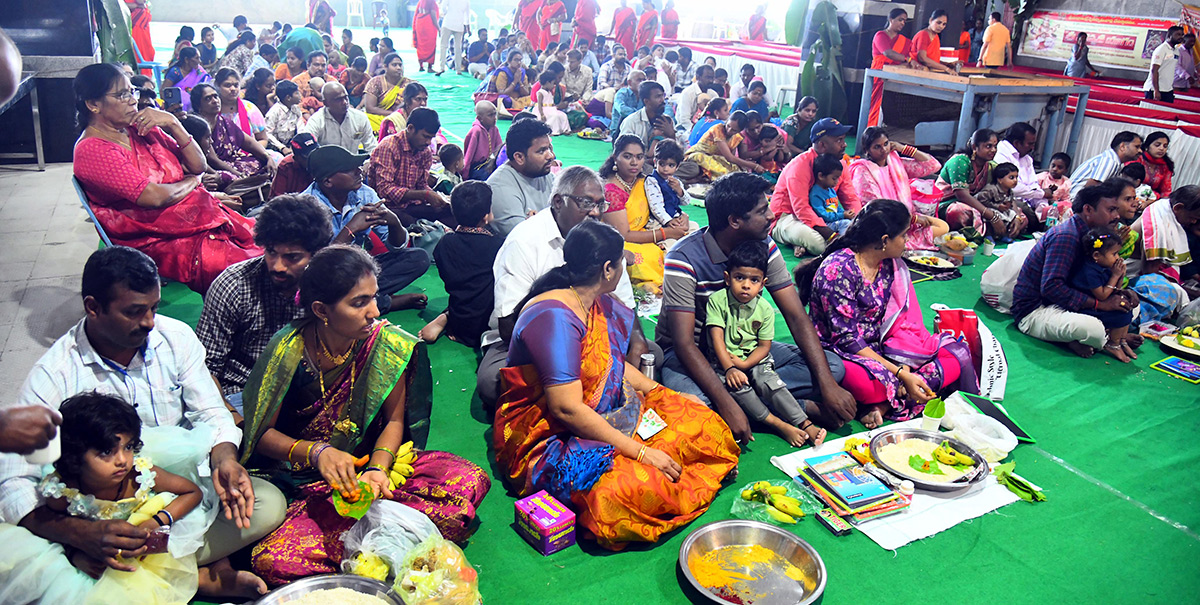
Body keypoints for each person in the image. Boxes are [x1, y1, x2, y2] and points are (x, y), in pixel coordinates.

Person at [2, 246, 286, 599]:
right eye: (135, 312)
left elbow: (212, 414)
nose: (150, 321)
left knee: (266, 503)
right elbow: (15, 479)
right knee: (27, 550)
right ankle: (193, 571)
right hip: (98, 513)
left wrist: (224, 460)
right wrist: (79, 535)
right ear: (93, 307)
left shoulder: (175, 337)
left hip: (173, 499)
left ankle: (147, 566)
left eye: (153, 307)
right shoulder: (55, 373)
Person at [240, 245, 489, 585]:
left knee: (468, 479)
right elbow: (261, 436)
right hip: (300, 479)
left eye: (374, 297)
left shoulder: (385, 342)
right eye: (359, 302)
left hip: (366, 468)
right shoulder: (289, 351)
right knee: (274, 562)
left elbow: (395, 422)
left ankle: (363, 551)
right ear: (321, 309)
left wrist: (377, 470)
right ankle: (383, 544)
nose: (374, 311)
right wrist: (318, 453)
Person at [494, 219, 738, 550]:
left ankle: (674, 466)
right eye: (623, 261)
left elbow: (613, 365)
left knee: (700, 419)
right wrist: (641, 452)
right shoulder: (555, 317)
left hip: (605, 414)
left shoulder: (594, 302)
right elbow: (566, 408)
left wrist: (665, 395)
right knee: (619, 493)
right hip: (551, 434)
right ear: (609, 268)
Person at [659, 172, 855, 441]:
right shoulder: (682, 258)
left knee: (832, 368)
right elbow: (683, 344)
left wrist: (828, 384)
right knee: (698, 405)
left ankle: (750, 399)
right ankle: (791, 407)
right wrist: (727, 404)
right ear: (735, 221)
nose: (772, 215)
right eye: (762, 211)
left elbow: (796, 316)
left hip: (746, 349)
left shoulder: (764, 245)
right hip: (694, 355)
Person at [0, 392, 205, 604]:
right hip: (96, 555)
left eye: (127, 447)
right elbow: (53, 531)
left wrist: (156, 522)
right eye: (107, 451)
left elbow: (192, 492)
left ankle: (209, 579)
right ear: (75, 455)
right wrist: (74, 554)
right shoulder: (66, 492)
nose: (122, 460)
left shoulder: (140, 474)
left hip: (146, 548)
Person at [73, 65, 259, 292]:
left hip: (196, 218)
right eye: (122, 95)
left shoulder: (139, 128)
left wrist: (173, 122)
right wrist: (193, 182)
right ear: (93, 104)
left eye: (132, 91)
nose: (133, 100)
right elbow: (154, 197)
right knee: (248, 269)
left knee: (268, 241)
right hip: (158, 238)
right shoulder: (94, 150)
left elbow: (198, 164)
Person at [475, 166, 645, 408]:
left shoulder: (603, 237)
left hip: (594, 335)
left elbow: (624, 304)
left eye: (600, 204)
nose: (595, 213)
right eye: (586, 203)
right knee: (492, 383)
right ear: (557, 201)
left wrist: (637, 338)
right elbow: (508, 326)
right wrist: (570, 357)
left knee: (649, 356)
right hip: (528, 343)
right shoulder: (524, 241)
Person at [801, 199, 978, 427]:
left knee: (956, 352)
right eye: (904, 235)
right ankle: (902, 392)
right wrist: (902, 373)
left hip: (881, 347)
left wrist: (904, 360)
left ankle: (887, 403)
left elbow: (902, 321)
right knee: (870, 386)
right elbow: (846, 341)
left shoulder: (888, 265)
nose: (907, 241)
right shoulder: (839, 270)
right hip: (841, 352)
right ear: (885, 240)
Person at [198, 195, 333, 409]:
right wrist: (234, 419)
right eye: (271, 252)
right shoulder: (234, 284)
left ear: (316, 254)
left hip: (307, 392)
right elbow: (204, 370)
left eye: (292, 257)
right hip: (242, 394)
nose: (278, 266)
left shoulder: (328, 284)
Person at [709, 241, 826, 447]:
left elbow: (764, 347)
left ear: (763, 284)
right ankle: (779, 425)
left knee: (769, 382)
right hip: (723, 363)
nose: (746, 285)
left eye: (754, 280)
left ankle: (804, 422)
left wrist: (745, 366)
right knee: (740, 389)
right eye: (739, 278)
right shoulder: (717, 300)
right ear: (728, 278)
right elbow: (717, 338)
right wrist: (730, 369)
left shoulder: (764, 308)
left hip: (754, 359)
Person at [1012, 183, 1139, 357]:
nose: (1117, 216)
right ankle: (1107, 336)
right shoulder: (1067, 236)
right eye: (1111, 210)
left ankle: (1109, 335)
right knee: (1092, 329)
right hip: (1036, 310)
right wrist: (1101, 305)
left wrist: (1120, 292)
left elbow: (1087, 281)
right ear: (1088, 209)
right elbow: (1051, 288)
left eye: (1117, 210)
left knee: (1129, 306)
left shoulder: (1095, 236)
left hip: (1065, 305)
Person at [302, 145, 430, 314]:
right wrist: (351, 229)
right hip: (324, 278)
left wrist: (394, 223)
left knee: (418, 258)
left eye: (358, 166)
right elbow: (316, 267)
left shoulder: (364, 194)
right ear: (328, 181)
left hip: (355, 270)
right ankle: (384, 302)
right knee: (322, 289)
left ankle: (362, 300)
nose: (359, 171)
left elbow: (395, 246)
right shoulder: (307, 207)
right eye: (349, 169)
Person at [419, 181, 505, 347]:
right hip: (488, 325)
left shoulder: (444, 243)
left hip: (460, 323)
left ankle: (447, 316)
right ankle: (446, 316)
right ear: (486, 216)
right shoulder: (498, 245)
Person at [601, 136, 686, 294]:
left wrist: (682, 218)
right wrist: (665, 233)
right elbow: (624, 235)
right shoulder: (611, 191)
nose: (634, 162)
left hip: (647, 231)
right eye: (627, 156)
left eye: (639, 157)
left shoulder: (643, 181)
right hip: (620, 240)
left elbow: (664, 204)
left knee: (686, 241)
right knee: (642, 259)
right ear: (615, 158)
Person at [769, 118, 860, 257]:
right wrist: (831, 236)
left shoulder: (840, 164)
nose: (845, 145)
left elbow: (850, 198)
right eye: (839, 140)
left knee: (858, 230)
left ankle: (800, 243)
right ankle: (796, 240)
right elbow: (801, 209)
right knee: (818, 244)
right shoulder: (800, 166)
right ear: (822, 145)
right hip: (788, 216)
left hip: (823, 217)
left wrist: (859, 222)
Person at [848, 126, 946, 250]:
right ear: (867, 150)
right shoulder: (862, 171)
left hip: (906, 220)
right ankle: (897, 245)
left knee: (942, 226)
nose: (883, 150)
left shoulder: (895, 163)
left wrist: (903, 148)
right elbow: (877, 209)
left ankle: (902, 244)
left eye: (886, 144)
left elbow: (933, 165)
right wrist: (913, 219)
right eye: (877, 147)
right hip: (883, 226)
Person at [370, 107, 455, 225]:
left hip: (412, 205)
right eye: (425, 136)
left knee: (451, 214)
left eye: (431, 137)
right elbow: (385, 190)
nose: (428, 142)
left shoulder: (425, 151)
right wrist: (424, 195)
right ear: (410, 128)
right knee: (412, 224)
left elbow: (421, 184)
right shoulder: (388, 147)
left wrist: (439, 198)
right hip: (387, 208)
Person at [1070, 228, 1137, 361]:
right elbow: (1102, 296)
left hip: (1101, 303)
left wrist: (1120, 276)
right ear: (1096, 256)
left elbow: (1115, 291)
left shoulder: (1104, 266)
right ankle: (1113, 343)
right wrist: (1115, 275)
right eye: (1115, 254)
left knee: (1126, 305)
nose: (1118, 258)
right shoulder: (1090, 271)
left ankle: (1121, 340)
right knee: (1120, 313)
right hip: (1084, 309)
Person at [192, 83, 273, 190]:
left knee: (264, 164)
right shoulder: (197, 126)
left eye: (215, 96)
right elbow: (213, 160)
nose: (215, 101)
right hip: (213, 168)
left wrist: (267, 157)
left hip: (233, 162)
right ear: (198, 105)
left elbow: (248, 142)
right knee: (224, 177)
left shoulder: (225, 122)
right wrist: (238, 174)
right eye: (208, 98)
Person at [486, 118, 557, 236]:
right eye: (541, 151)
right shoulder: (499, 187)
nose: (551, 156)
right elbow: (525, 237)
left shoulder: (546, 175)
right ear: (519, 157)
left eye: (549, 148)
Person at [936, 128, 1000, 236]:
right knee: (960, 212)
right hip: (946, 204)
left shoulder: (991, 166)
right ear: (975, 147)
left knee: (1017, 213)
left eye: (995, 146)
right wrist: (991, 216)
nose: (993, 150)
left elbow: (1005, 188)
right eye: (988, 146)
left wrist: (1017, 216)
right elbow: (962, 195)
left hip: (975, 204)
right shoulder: (960, 161)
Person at [995, 121, 1052, 226]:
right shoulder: (1000, 154)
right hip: (1007, 199)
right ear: (1016, 143)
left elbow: (1034, 184)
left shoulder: (1027, 158)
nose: (1032, 148)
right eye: (1030, 144)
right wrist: (1042, 194)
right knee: (1026, 211)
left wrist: (1042, 205)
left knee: (1052, 207)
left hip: (1029, 198)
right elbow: (1011, 188)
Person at [300, 81, 378, 153]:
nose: (345, 102)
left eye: (346, 97)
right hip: (325, 166)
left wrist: (367, 164)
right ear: (326, 103)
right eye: (338, 99)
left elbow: (372, 147)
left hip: (353, 165)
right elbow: (308, 149)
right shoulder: (316, 121)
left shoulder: (360, 118)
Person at [1070, 131, 1142, 200]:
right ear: (1122, 146)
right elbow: (1092, 188)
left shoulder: (1114, 161)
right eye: (1137, 147)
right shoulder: (1109, 161)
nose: (1140, 151)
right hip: (1073, 202)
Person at [644, 139, 694, 238]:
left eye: (671, 165)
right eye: (662, 164)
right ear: (655, 162)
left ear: (678, 166)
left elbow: (686, 202)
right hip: (659, 221)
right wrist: (668, 221)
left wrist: (679, 190)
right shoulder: (652, 181)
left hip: (675, 216)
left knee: (694, 228)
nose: (666, 169)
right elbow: (656, 207)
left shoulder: (676, 181)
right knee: (672, 241)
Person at [618, 80, 678, 163]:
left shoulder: (667, 121)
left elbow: (676, 153)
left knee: (690, 167)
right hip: (637, 164)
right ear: (646, 101)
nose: (663, 100)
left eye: (663, 96)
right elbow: (623, 151)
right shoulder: (631, 121)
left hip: (663, 165)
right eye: (658, 97)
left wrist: (671, 135)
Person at [976, 162, 1028, 242]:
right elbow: (981, 200)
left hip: (1002, 211)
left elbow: (1011, 202)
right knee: (994, 215)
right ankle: (988, 235)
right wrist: (997, 206)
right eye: (1011, 177)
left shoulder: (1009, 191)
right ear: (1000, 180)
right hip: (989, 210)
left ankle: (1004, 235)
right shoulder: (991, 189)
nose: (1015, 180)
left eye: (1016, 177)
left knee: (1012, 214)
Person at [361, 53, 412, 133]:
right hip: (378, 118)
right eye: (394, 65)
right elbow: (370, 108)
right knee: (364, 118)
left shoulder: (409, 84)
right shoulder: (375, 82)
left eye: (400, 65)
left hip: (402, 119)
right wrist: (393, 115)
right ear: (385, 66)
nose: (398, 68)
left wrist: (398, 117)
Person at [809, 153, 852, 238]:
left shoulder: (831, 190)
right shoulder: (815, 194)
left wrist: (845, 213)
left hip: (835, 220)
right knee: (845, 223)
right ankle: (844, 245)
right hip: (825, 224)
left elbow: (836, 207)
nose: (837, 182)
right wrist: (842, 215)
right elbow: (823, 215)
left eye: (838, 178)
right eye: (834, 178)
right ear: (821, 176)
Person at [462, 100, 503, 180]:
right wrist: (465, 176)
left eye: (495, 114)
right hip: (476, 168)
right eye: (490, 115)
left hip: (487, 164)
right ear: (480, 118)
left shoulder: (494, 129)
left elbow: (499, 150)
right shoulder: (476, 131)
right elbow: (468, 156)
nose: (494, 118)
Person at [269, 133, 319, 197]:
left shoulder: (322, 162)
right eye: (307, 157)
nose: (313, 159)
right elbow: (277, 197)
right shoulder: (286, 167)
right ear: (296, 157)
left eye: (315, 154)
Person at [162, 46, 211, 112]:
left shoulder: (199, 71)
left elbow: (206, 83)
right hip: (177, 108)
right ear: (186, 60)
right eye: (197, 58)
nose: (199, 61)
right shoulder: (175, 72)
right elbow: (164, 91)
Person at [1131, 131, 1175, 200]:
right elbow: (1129, 182)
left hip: (1153, 200)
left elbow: (1166, 191)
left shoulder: (1165, 165)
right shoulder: (1137, 159)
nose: (1161, 148)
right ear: (1147, 146)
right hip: (1132, 196)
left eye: (1165, 146)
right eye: (1157, 145)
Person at [1146, 26, 1185, 103]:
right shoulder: (1161, 49)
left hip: (1167, 89)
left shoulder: (1176, 50)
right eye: (1178, 34)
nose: (1181, 37)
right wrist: (1156, 90)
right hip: (1155, 89)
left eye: (1182, 35)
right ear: (1170, 35)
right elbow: (1154, 70)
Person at [909, 9, 954, 74]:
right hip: (917, 71)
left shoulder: (936, 36)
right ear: (931, 20)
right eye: (938, 23)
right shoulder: (924, 34)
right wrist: (946, 68)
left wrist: (947, 64)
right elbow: (922, 58)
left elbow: (932, 59)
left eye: (944, 24)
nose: (941, 26)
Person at [436, 0, 470, 74]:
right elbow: (467, 15)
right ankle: (458, 69)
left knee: (443, 46)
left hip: (448, 23)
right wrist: (468, 27)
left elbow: (443, 7)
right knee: (458, 48)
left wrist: (446, 14)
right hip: (459, 25)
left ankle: (442, 67)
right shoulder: (466, 1)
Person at [534, 70, 572, 134]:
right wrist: (542, 114)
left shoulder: (549, 92)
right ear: (547, 82)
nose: (554, 85)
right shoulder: (540, 93)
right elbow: (539, 104)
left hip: (551, 109)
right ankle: (553, 131)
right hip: (544, 110)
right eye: (552, 83)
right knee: (555, 116)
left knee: (563, 115)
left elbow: (551, 101)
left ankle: (565, 130)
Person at [413, 0, 440, 72]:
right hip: (428, 24)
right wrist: (439, 29)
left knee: (420, 45)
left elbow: (416, 14)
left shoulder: (420, 2)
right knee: (430, 45)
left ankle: (421, 66)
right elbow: (433, 16)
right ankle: (429, 67)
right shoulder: (432, 2)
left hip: (419, 23)